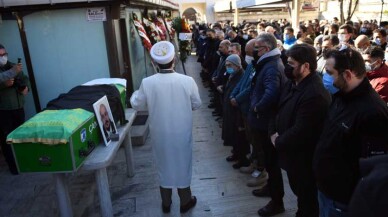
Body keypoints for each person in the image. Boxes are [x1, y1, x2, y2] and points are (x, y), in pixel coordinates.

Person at [313, 47, 388, 217]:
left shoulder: (372, 112)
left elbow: (371, 168)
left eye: (330, 72)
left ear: (347, 75)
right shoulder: (340, 95)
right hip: (326, 191)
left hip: (343, 201)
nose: (325, 77)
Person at [130, 41, 201, 214]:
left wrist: (133, 94)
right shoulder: (187, 80)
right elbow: (197, 104)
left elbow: (136, 104)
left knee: (164, 164)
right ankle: (185, 201)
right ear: (174, 61)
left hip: (160, 133)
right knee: (183, 163)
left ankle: (166, 203)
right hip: (182, 132)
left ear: (154, 63)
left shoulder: (147, 82)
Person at [270, 44, 331, 217]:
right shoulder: (293, 83)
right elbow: (278, 109)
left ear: (305, 66)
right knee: (300, 194)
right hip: (292, 156)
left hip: (305, 159)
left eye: (291, 64)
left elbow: (302, 130)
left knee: (307, 199)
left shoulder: (315, 93)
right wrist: (272, 130)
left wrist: (278, 140)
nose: (287, 68)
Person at [247, 33, 287, 217]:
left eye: (257, 48)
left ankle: (276, 200)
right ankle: (271, 188)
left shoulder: (271, 66)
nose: (254, 51)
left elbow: (272, 93)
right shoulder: (267, 63)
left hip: (266, 122)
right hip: (263, 121)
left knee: (271, 162)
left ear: (267, 49)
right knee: (269, 161)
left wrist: (257, 108)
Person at [0, 44, 29, 175]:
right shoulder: (11, 70)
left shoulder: (12, 65)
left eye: (4, 54)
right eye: (0, 56)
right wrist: (4, 84)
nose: (3, 57)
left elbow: (24, 79)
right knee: (7, 140)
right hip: (3, 111)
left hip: (18, 107)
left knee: (21, 137)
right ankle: (14, 167)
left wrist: (25, 88)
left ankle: (25, 163)